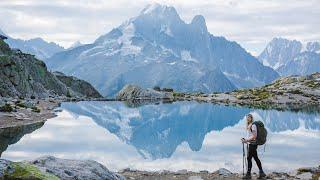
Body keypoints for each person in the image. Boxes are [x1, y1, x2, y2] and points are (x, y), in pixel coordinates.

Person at [241, 114, 266, 179]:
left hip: (253, 144)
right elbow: (250, 135)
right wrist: (246, 140)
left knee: (249, 158)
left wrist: (246, 140)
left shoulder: (253, 125)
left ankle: (248, 174)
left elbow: (254, 136)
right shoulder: (249, 125)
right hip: (251, 143)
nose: (247, 119)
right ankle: (261, 172)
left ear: (251, 118)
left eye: (249, 118)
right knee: (255, 157)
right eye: (247, 118)